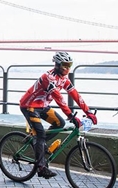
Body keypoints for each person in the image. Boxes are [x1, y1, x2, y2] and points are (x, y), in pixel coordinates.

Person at [19, 51, 97, 179]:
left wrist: (87, 111)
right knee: (41, 133)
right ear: (57, 65)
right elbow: (59, 98)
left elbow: (75, 95)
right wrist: (71, 116)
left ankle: (38, 142)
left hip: (43, 106)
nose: (67, 68)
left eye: (69, 65)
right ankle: (41, 167)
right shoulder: (48, 78)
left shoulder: (63, 79)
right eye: (65, 65)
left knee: (59, 123)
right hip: (30, 106)